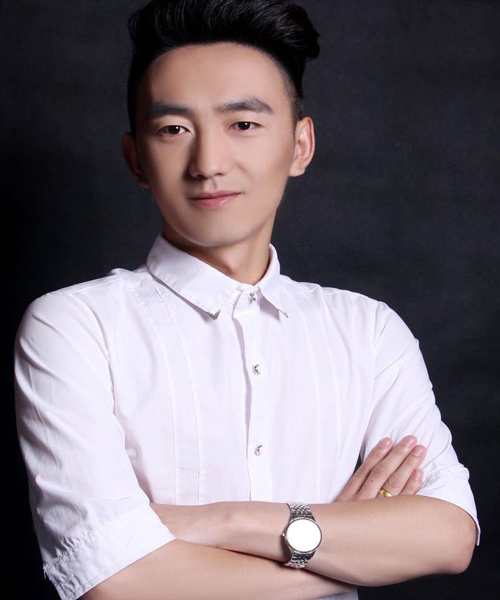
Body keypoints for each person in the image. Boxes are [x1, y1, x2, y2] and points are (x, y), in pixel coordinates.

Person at [14, 1, 480, 599]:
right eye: (173, 129)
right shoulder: (75, 326)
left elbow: (448, 536)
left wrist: (225, 521)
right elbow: (117, 583)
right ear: (136, 158)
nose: (208, 164)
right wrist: (344, 541)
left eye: (243, 124)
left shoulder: (368, 331)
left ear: (300, 145)